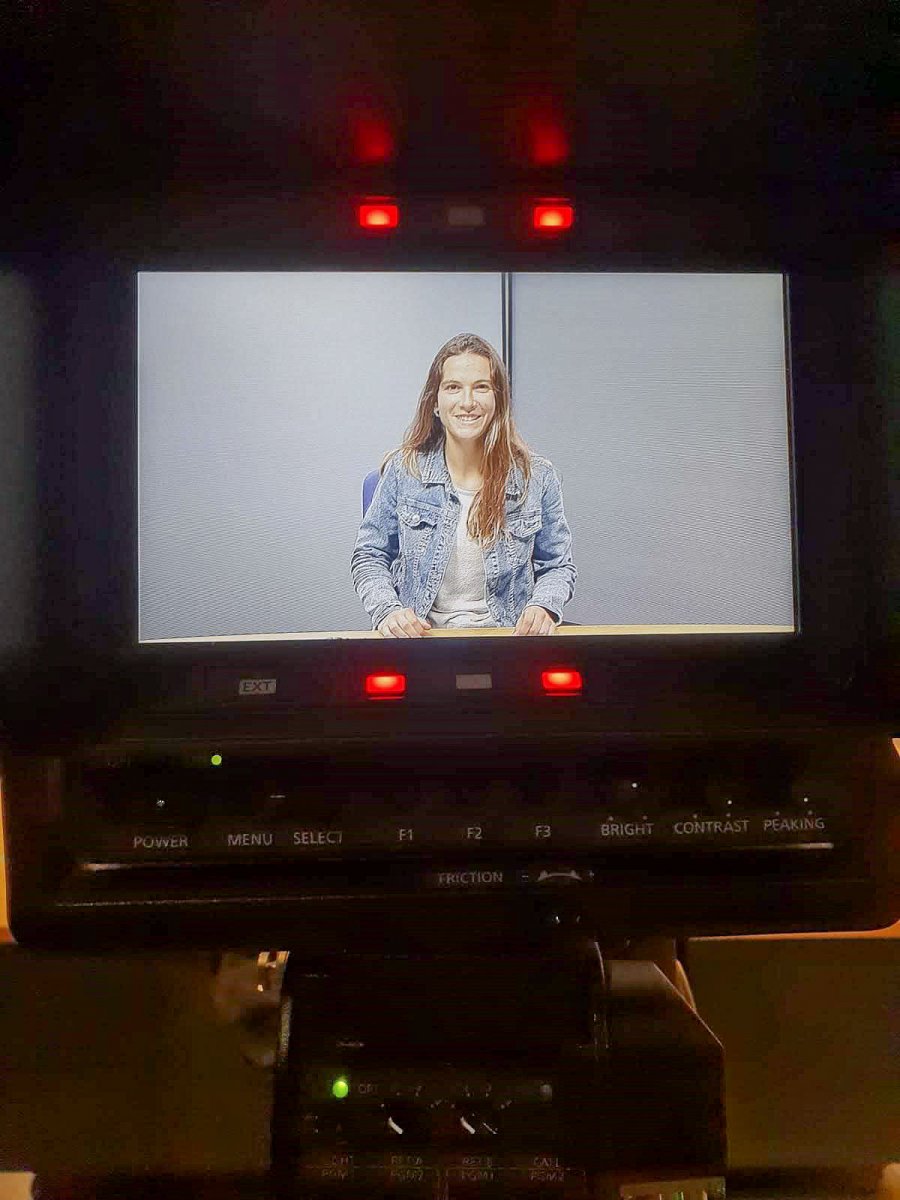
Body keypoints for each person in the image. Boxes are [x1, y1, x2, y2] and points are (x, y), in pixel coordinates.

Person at [351, 333, 576, 637]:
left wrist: (543, 607)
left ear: (498, 400)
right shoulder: (403, 471)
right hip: (421, 641)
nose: (467, 402)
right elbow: (369, 556)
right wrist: (388, 611)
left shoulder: (537, 477)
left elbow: (558, 566)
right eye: (453, 387)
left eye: (481, 387)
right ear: (435, 402)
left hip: (506, 639)